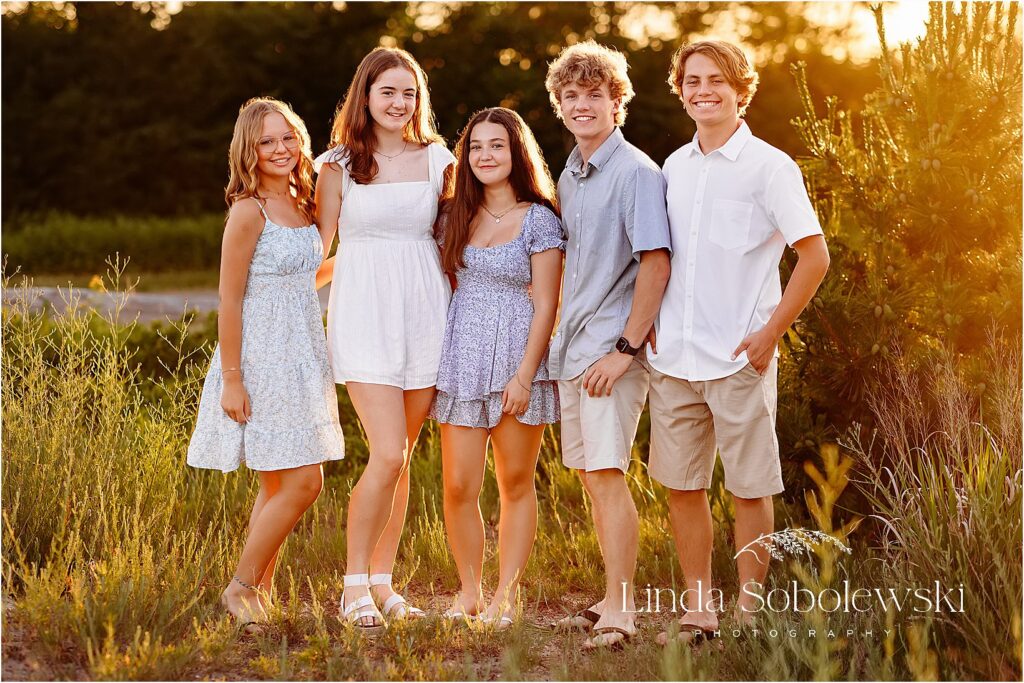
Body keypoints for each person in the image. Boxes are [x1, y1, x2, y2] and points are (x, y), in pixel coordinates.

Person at [649, 40, 830, 645]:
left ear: (740, 88)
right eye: (692, 80)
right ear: (681, 90)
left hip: (738, 359)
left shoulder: (771, 167)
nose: (703, 90)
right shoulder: (673, 167)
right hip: (672, 356)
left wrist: (769, 332)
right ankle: (699, 609)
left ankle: (750, 613)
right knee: (683, 485)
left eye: (716, 80)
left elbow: (814, 255)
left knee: (750, 486)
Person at [187, 97, 345, 631]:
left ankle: (259, 592)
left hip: (304, 353)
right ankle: (241, 587)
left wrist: (362, 262)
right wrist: (232, 380)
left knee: (278, 485)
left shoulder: (305, 202)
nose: (281, 149)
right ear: (249, 150)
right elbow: (229, 300)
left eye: (287, 137)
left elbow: (306, 276)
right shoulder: (248, 210)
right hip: (261, 356)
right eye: (267, 141)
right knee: (305, 482)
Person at [313, 47, 456, 632]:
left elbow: (453, 241)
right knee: (387, 452)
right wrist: (275, 295)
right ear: (365, 96)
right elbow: (321, 249)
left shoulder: (440, 159)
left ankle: (383, 582)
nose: (399, 103)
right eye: (387, 92)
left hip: (427, 314)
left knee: (401, 461)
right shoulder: (338, 164)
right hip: (364, 315)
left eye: (409, 93)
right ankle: (352, 586)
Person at [544, 41, 672, 650]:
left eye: (594, 94)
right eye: (570, 96)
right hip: (573, 350)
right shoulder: (570, 172)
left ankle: (622, 611)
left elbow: (655, 262)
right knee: (593, 477)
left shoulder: (636, 172)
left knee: (608, 473)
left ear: (617, 101)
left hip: (610, 352)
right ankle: (606, 597)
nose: (582, 105)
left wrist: (626, 347)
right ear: (559, 106)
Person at [430, 107, 563, 629]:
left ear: (516, 154)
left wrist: (525, 375)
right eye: (476, 147)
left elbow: (547, 305)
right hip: (462, 356)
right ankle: (470, 592)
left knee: (514, 482)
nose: (485, 156)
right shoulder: (452, 216)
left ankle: (506, 597)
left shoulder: (540, 219)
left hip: (516, 358)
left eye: (497, 146)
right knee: (458, 485)